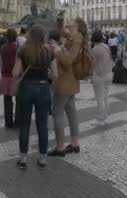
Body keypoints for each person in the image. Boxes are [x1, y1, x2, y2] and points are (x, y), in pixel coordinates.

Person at [13, 25, 53, 169]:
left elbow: (15, 73)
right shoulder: (48, 51)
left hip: (26, 88)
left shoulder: (22, 50)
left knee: (24, 124)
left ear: (30, 35)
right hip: (43, 88)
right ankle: (42, 158)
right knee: (42, 124)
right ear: (43, 36)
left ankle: (23, 158)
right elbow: (55, 74)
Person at [48, 17, 87, 157]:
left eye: (71, 20)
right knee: (71, 113)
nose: (68, 21)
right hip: (70, 82)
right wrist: (59, 19)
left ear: (76, 25)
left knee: (57, 113)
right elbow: (60, 31)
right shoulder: (73, 36)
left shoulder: (76, 40)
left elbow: (67, 61)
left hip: (65, 81)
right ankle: (75, 144)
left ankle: (60, 147)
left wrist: (58, 50)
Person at [90, 30, 112, 126]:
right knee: (105, 97)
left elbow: (93, 64)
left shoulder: (95, 49)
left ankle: (100, 119)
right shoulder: (106, 46)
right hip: (108, 74)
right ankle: (105, 117)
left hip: (99, 75)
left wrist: (90, 74)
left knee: (99, 98)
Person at [0, 29, 18, 129]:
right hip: (15, 77)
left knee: (7, 100)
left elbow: (1, 63)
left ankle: (8, 122)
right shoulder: (17, 48)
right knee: (19, 100)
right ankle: (18, 121)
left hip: (5, 76)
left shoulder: (3, 47)